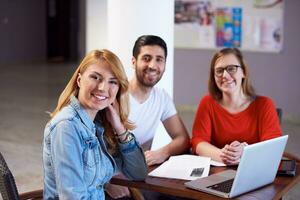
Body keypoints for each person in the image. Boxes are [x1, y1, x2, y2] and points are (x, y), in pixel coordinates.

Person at [42, 49, 147, 199]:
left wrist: (119, 128)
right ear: (79, 80)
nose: (103, 88)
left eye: (112, 81)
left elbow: (138, 173)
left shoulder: (98, 125)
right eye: (95, 77)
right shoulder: (67, 127)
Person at [106, 35, 190, 199]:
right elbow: (90, 148)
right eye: (146, 58)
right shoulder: (115, 94)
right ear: (133, 61)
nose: (153, 65)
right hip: (112, 178)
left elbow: (183, 138)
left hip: (139, 175)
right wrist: (107, 182)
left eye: (159, 59)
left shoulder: (161, 97)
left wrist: (162, 152)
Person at [192, 48, 282, 165]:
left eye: (231, 69)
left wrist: (244, 151)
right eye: (219, 70)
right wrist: (223, 155)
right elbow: (198, 141)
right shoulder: (207, 102)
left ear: (243, 72)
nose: (225, 75)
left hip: (254, 169)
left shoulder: (265, 104)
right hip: (217, 172)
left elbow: (272, 146)